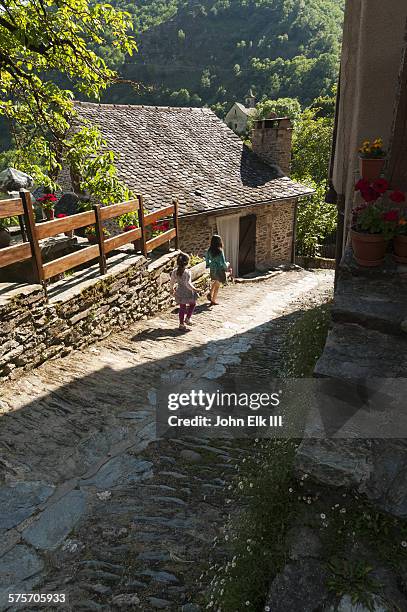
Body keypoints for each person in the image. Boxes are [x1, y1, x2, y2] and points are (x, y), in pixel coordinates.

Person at [170, 252, 198, 331]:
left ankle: (181, 324)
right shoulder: (187, 272)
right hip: (188, 292)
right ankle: (188, 318)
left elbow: (172, 281)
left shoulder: (175, 271)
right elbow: (188, 284)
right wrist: (194, 289)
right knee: (193, 304)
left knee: (182, 308)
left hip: (179, 291)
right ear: (187, 262)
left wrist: (171, 289)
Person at [205, 235, 229, 305]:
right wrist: (227, 265)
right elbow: (223, 262)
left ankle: (210, 293)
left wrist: (208, 265)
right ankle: (213, 300)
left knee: (215, 281)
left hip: (212, 268)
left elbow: (207, 259)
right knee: (217, 285)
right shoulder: (220, 251)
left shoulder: (209, 250)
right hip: (219, 269)